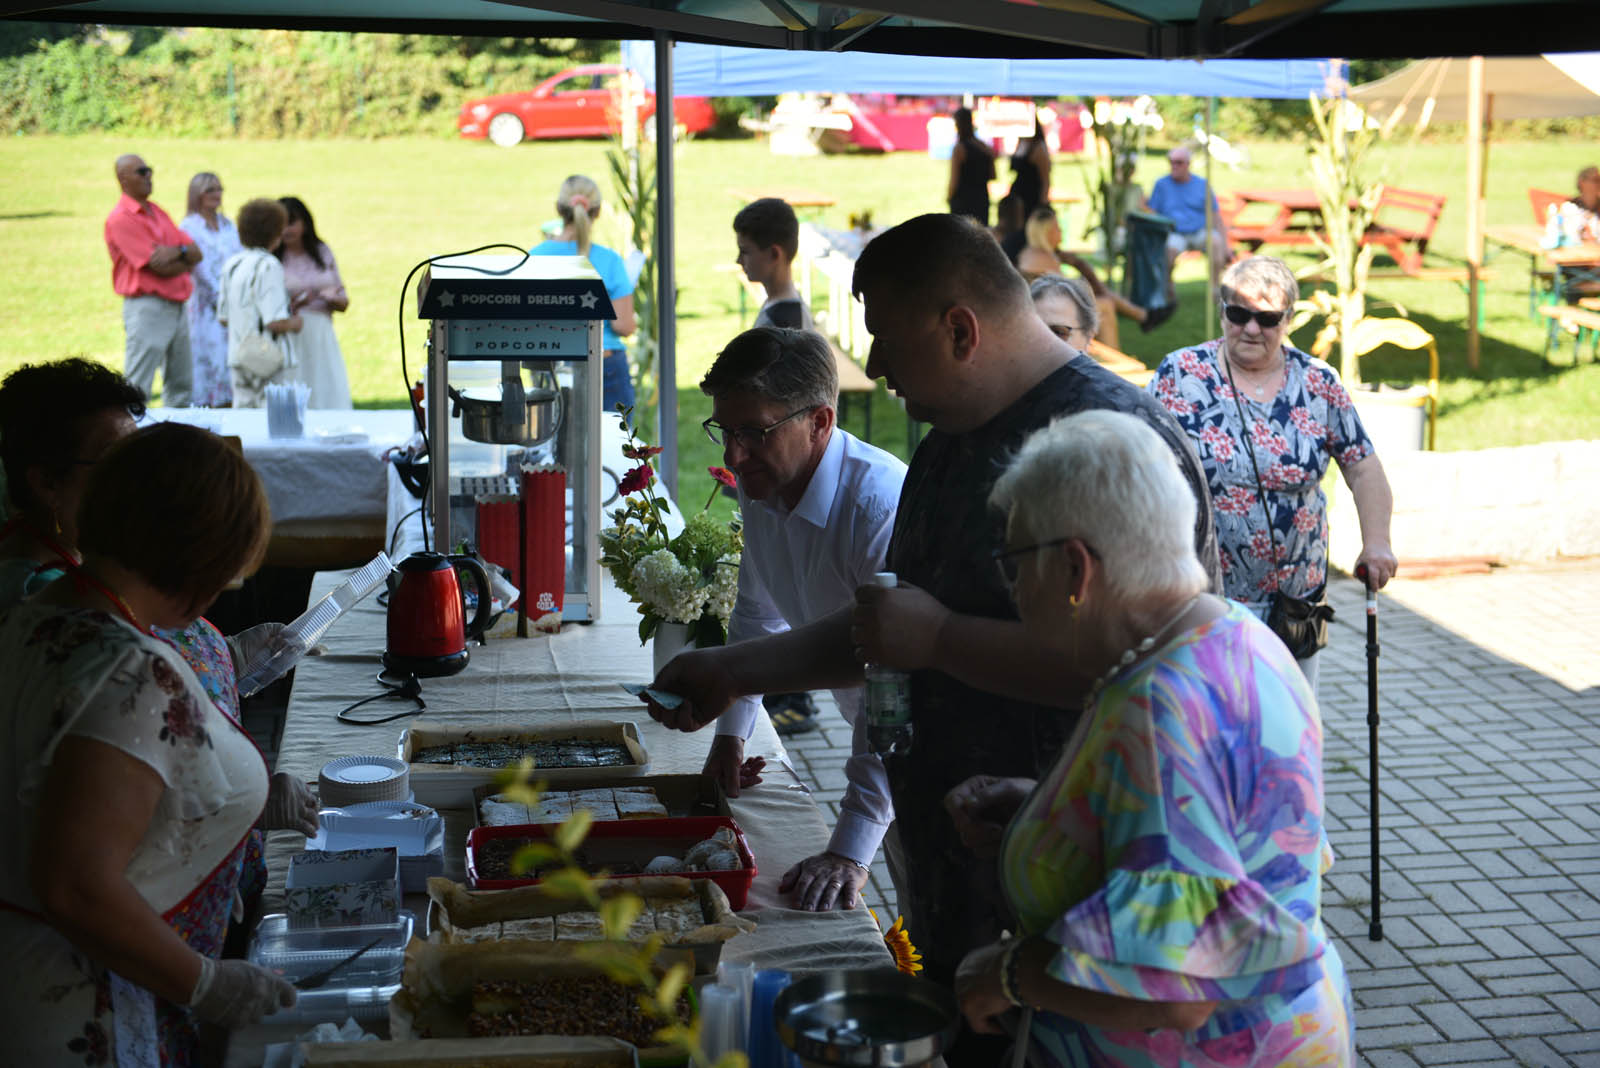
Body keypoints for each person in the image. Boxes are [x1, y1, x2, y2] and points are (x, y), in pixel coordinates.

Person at [643, 215, 1221, 1064]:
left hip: (1087, 919)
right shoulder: (955, 435)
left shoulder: (1108, 440)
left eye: (881, 334)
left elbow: (1156, 671)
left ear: (959, 329)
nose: (871, 364)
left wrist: (945, 640)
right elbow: (889, 631)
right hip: (968, 880)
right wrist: (734, 669)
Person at [948, 409, 1353, 1065]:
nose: (1013, 585)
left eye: (1015, 559)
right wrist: (1059, 815)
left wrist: (1004, 974)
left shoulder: (1161, 708)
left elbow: (1177, 989)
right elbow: (1229, 843)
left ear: (1076, 569)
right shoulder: (1236, 635)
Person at [0, 422, 304, 1063]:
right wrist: (206, 983)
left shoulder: (40, 613)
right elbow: (75, 884)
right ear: (201, 560)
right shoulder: (129, 670)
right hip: (88, 1011)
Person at [699, 327, 906, 911]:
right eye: (725, 430)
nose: (731, 457)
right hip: (885, 740)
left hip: (937, 748)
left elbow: (893, 687)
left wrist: (849, 847)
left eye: (753, 433)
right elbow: (756, 618)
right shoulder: (763, 481)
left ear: (820, 421)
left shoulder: (878, 507)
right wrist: (731, 735)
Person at [1147, 255, 1397, 690]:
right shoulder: (1181, 373)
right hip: (1201, 595)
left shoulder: (1318, 383)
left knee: (1288, 726)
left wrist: (1377, 544)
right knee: (1213, 723)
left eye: (1266, 318)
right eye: (1238, 313)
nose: (1250, 328)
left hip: (1294, 600)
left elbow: (1363, 466)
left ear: (1288, 321)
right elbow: (1140, 456)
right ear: (1222, 311)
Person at [732, 196, 830, 733]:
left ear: (774, 253)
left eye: (746, 252)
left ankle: (795, 698)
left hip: (785, 467)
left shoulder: (785, 318)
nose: (740, 262)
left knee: (786, 584)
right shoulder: (779, 309)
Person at [531, 175, 638, 412]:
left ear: (559, 209)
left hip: (549, 364)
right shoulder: (610, 260)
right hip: (604, 361)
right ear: (597, 212)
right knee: (613, 444)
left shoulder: (535, 257)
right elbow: (624, 326)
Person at [104, 153, 198, 407]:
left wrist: (177, 252)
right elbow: (159, 268)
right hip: (148, 307)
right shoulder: (122, 218)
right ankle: (132, 440)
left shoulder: (156, 211)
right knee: (137, 385)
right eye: (142, 172)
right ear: (123, 179)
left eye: (149, 171)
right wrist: (184, 257)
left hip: (177, 306)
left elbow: (195, 252)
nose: (149, 176)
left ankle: (177, 440)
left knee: (182, 384)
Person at [1016, 207, 1171, 344]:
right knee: (1106, 305)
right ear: (1047, 232)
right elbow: (1066, 293)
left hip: (1041, 309)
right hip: (1048, 312)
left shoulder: (1031, 252)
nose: (1061, 232)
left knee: (1103, 300)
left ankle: (1143, 317)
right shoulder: (1045, 258)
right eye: (1057, 228)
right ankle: (1116, 358)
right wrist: (1082, 267)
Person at [218, 198, 303, 408]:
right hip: (267, 358)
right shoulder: (269, 265)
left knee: (244, 418)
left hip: (239, 355)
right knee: (273, 419)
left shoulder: (232, 264)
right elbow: (274, 321)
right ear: (276, 233)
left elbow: (223, 317)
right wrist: (295, 323)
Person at [277, 196, 353, 409]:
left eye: (291, 223)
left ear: (304, 223)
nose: (286, 230)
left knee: (325, 386)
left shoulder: (321, 251)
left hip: (320, 332)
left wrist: (331, 298)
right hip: (290, 333)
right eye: (281, 224)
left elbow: (343, 299)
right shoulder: (273, 258)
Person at [179, 172, 242, 408]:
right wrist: (219, 297)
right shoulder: (190, 227)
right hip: (206, 305)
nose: (216, 194)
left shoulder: (228, 225)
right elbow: (199, 268)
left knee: (231, 359)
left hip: (234, 303)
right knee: (210, 357)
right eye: (210, 190)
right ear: (197, 195)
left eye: (219, 189)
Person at [1144, 146, 1231, 304]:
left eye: (1178, 162)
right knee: (1168, 250)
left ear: (1188, 164)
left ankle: (1214, 289)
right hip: (1174, 233)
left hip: (1200, 231)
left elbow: (1216, 216)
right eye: (1171, 162)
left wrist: (1227, 246)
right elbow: (1152, 213)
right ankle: (1168, 288)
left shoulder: (1202, 185)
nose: (1174, 166)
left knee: (1216, 242)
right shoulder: (1161, 185)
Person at [733, 196, 815, 332]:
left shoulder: (779, 328)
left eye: (745, 251)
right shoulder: (782, 305)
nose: (738, 260)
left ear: (774, 254)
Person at [1542, 164, 1600, 299]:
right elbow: (1567, 234)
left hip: (1595, 260)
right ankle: (1572, 310)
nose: (1598, 184)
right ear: (1582, 182)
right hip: (1577, 260)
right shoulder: (1570, 208)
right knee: (1574, 274)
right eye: (1595, 180)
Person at [946, 106, 995, 226]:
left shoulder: (959, 149)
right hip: (981, 199)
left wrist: (949, 196)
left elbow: (954, 180)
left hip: (963, 202)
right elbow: (993, 175)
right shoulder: (984, 147)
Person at [1007, 113, 1052, 221]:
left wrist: (1042, 206)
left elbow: (1045, 179)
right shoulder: (1022, 143)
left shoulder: (1038, 148)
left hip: (1031, 199)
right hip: (1018, 198)